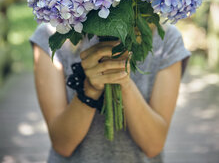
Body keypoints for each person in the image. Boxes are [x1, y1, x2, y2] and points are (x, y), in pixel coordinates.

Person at [30, 22, 190, 163]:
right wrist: (90, 90)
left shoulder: (166, 38)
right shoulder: (52, 33)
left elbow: (153, 145)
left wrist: (124, 82)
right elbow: (62, 145)